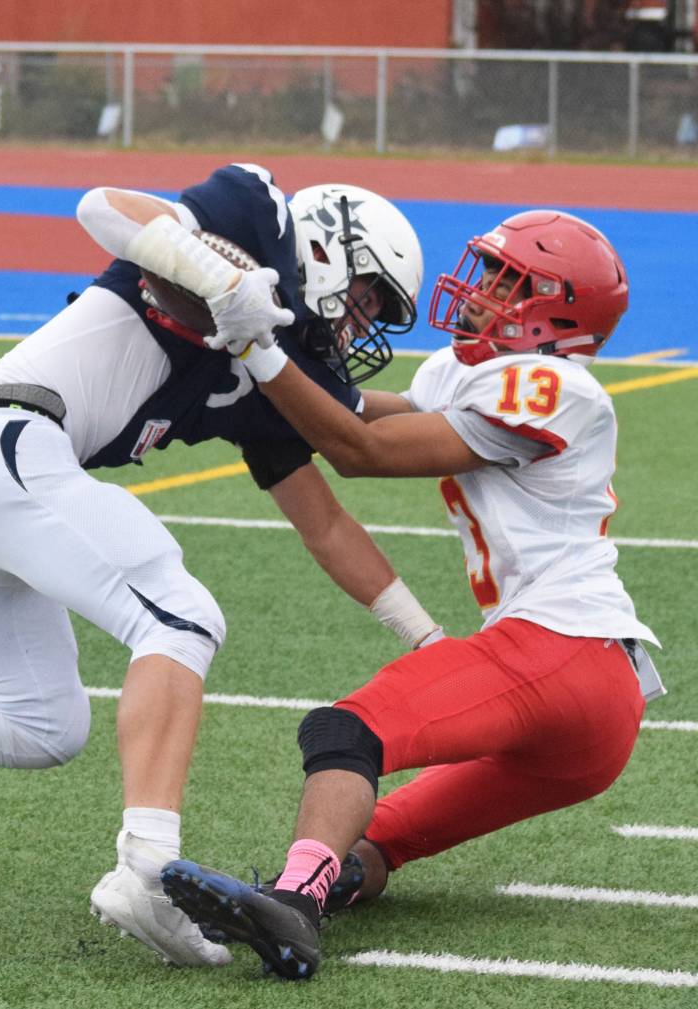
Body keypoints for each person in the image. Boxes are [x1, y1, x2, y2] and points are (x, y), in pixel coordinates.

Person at [0, 163, 441, 966]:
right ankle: (147, 866)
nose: (361, 322)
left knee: (42, 722)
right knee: (181, 613)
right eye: (367, 296)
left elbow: (327, 519)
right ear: (332, 246)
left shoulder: (267, 372)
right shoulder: (254, 215)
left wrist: (426, 635)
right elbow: (103, 206)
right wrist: (222, 282)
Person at [160, 209, 665, 980]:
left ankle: (292, 904)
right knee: (381, 834)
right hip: (596, 715)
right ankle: (319, 885)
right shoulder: (471, 372)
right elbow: (353, 412)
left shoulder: (558, 384)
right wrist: (256, 391)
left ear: (557, 311)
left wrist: (256, 348)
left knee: (346, 728)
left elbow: (361, 450)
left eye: (508, 281)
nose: (482, 289)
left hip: (566, 646)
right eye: (489, 270)